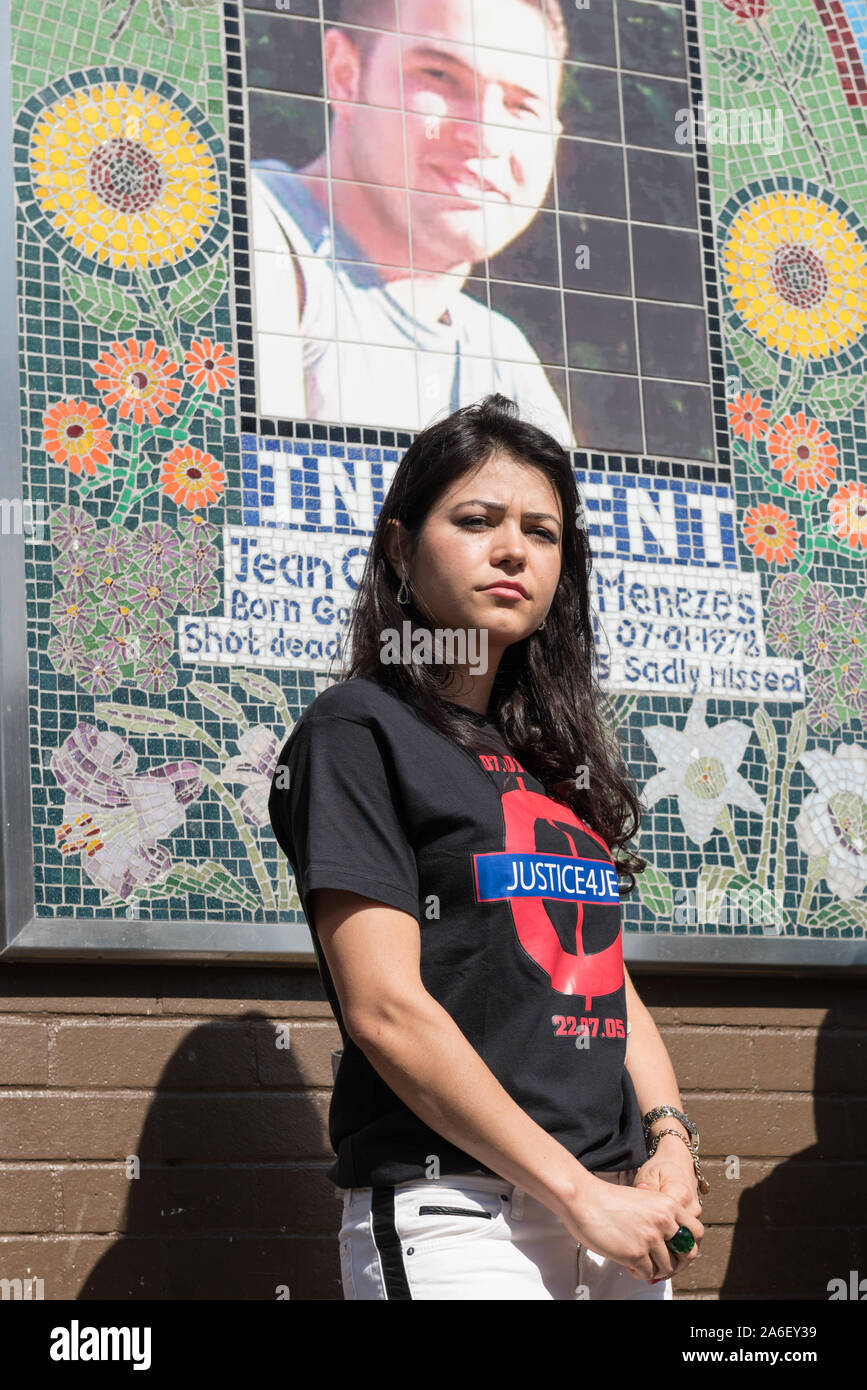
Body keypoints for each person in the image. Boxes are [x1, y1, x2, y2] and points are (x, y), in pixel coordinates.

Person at [268, 394, 706, 1300]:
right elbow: (384, 1009)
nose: (513, 549)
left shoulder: (547, 759)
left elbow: (599, 972)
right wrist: (575, 1192)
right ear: (400, 547)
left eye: (541, 532)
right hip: (457, 1212)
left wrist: (668, 1140)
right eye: (476, 520)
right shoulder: (357, 729)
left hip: (613, 1211)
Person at [250, 0, 575, 443]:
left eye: (522, 106)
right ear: (345, 74)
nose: (486, 135)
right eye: (440, 76)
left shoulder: (504, 360)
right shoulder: (245, 232)